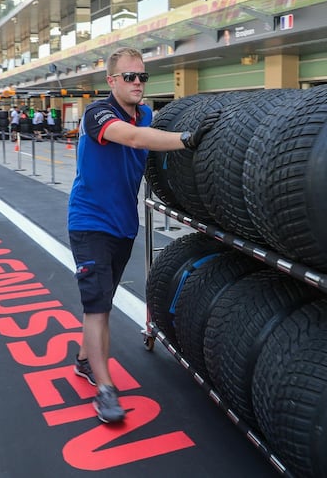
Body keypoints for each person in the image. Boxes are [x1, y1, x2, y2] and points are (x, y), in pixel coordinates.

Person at [67, 47, 217, 423]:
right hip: (90, 224)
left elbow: (148, 135)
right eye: (129, 77)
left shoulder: (147, 113)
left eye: (142, 77)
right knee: (98, 306)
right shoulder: (97, 113)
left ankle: (85, 359)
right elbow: (134, 139)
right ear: (112, 80)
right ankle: (104, 390)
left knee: (106, 296)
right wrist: (186, 138)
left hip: (123, 226)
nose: (137, 83)